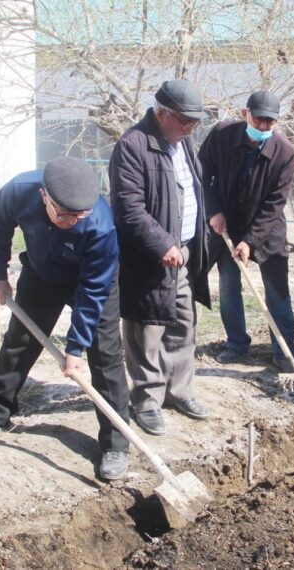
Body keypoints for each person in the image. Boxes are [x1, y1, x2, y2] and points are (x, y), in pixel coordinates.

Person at [0, 157, 131, 481]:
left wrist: (75, 348)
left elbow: (92, 292)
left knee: (105, 355)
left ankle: (116, 444)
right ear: (45, 197)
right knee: (19, 341)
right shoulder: (18, 191)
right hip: (41, 273)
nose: (73, 220)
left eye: (79, 214)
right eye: (65, 214)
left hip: (93, 282)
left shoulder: (100, 225)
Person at [109, 79, 212, 436]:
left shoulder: (184, 142)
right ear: (162, 112)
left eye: (195, 123)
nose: (189, 128)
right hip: (149, 258)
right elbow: (128, 209)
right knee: (146, 330)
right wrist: (161, 244)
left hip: (182, 254)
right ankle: (147, 400)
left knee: (184, 324)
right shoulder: (133, 145)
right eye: (184, 120)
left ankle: (179, 391)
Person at [199, 90, 294, 373]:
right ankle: (236, 344)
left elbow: (275, 203)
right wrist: (214, 210)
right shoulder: (221, 134)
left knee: (277, 291)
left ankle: (284, 351)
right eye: (259, 120)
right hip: (227, 224)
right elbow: (202, 173)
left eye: (270, 122)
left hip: (267, 230)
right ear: (245, 114)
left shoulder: (285, 152)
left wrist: (251, 241)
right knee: (230, 286)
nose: (264, 127)